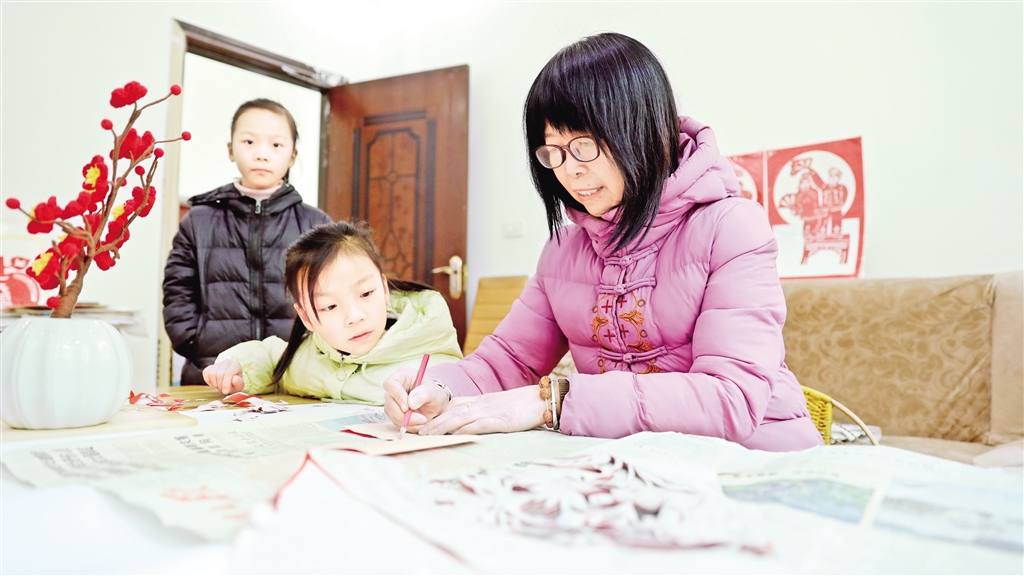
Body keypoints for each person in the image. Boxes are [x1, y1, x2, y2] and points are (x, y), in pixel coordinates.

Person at [383, 32, 823, 452]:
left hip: (758, 459)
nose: (569, 171)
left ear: (642, 130)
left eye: (584, 145)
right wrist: (437, 388)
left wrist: (552, 402)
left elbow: (730, 398)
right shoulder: (563, 250)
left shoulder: (731, 227)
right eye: (553, 152)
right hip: (639, 463)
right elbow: (508, 361)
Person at [163, 99, 332, 385]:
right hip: (211, 374)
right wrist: (195, 343)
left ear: (292, 155)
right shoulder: (199, 220)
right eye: (249, 142)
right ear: (231, 149)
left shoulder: (315, 224)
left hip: (293, 376)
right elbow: (177, 289)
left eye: (276, 145)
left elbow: (331, 297)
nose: (261, 154)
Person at [202, 221, 463, 402]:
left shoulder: (429, 356)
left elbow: (464, 387)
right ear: (306, 317)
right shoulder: (310, 353)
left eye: (366, 293)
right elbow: (272, 358)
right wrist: (238, 369)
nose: (355, 316)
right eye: (329, 306)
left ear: (384, 288)